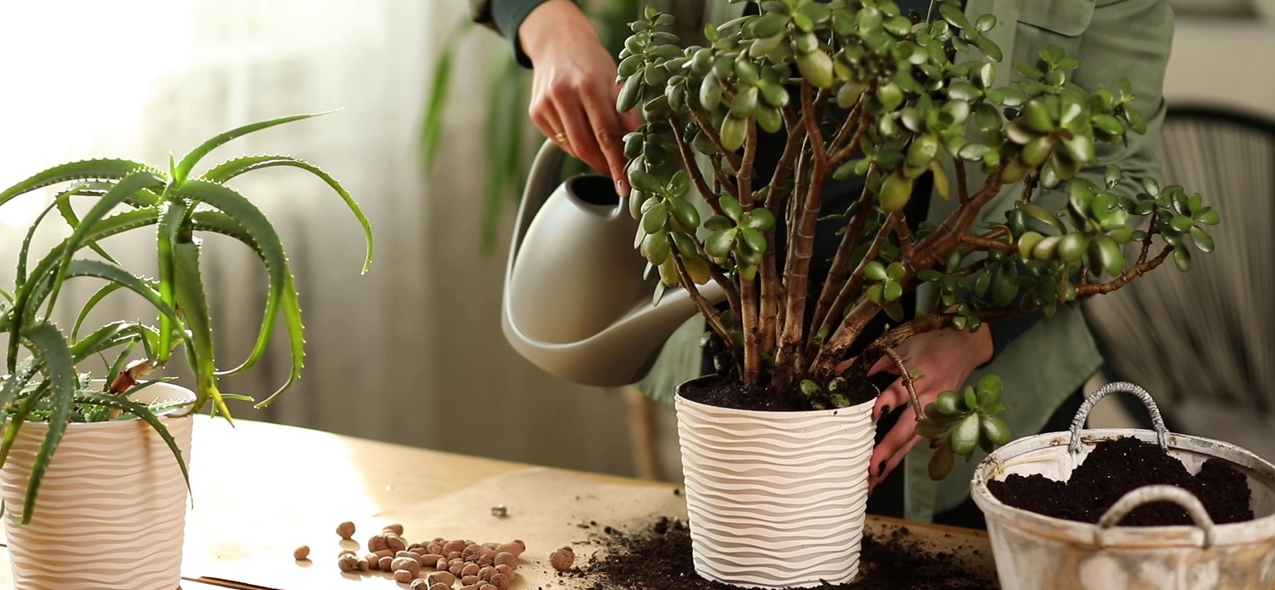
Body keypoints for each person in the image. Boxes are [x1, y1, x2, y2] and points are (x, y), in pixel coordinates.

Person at [469, 0, 1173, 527]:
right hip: (736, 360)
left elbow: (1124, 189)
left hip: (981, 412)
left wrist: (979, 330)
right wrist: (546, 22)